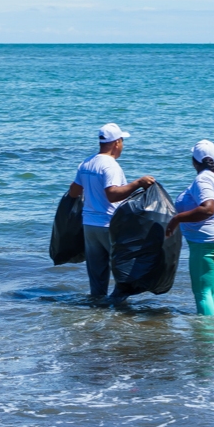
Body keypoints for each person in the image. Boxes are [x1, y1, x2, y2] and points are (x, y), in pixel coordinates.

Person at [68, 123, 154, 300]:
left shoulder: (86, 163)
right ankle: (117, 310)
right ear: (116, 143)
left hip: (90, 225)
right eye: (122, 141)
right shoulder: (111, 166)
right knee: (122, 271)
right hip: (109, 225)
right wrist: (138, 183)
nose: (122, 145)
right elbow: (113, 195)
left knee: (97, 274)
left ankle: (98, 307)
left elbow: (74, 192)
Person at [165, 140, 214, 316]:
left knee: (202, 293)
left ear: (194, 161)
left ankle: (206, 339)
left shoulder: (202, 179)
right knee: (211, 290)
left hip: (206, 243)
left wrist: (177, 219)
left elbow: (208, 208)